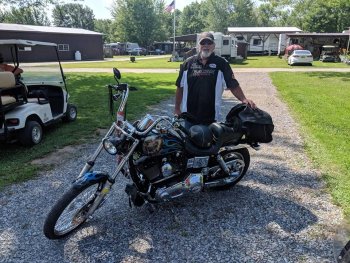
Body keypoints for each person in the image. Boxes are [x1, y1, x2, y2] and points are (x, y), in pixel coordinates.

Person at [174, 32, 255, 127]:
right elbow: (180, 86)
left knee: (210, 142)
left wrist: (244, 99)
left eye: (209, 43)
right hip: (189, 117)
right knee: (188, 141)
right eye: (203, 43)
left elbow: (232, 85)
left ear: (214, 45)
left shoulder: (222, 63)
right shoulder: (187, 63)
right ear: (198, 45)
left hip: (211, 118)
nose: (206, 46)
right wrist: (177, 108)